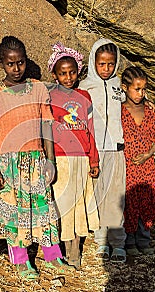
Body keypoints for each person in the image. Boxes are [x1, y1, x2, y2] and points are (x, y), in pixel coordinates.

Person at [0, 36, 71, 280]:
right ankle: (21, 260)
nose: (16, 68)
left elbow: (46, 127)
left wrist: (50, 161)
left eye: (20, 62)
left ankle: (53, 255)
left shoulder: (39, 89)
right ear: (1, 63)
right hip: (7, 163)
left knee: (44, 208)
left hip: (36, 160)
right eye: (10, 64)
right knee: (14, 211)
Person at [47, 42, 100, 269]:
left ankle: (74, 253)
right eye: (63, 73)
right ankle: (61, 250)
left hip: (81, 159)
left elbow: (91, 129)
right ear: (55, 75)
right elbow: (46, 129)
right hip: (61, 158)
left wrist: (93, 159)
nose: (68, 77)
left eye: (72, 72)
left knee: (79, 205)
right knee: (63, 204)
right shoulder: (50, 97)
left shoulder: (84, 96)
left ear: (78, 72)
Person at [79, 38, 127, 263]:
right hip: (95, 149)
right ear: (93, 62)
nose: (106, 69)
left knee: (116, 195)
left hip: (116, 148)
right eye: (102, 64)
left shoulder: (120, 86)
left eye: (111, 64)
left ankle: (118, 242)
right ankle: (101, 241)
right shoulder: (84, 87)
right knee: (97, 195)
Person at [120, 66, 155, 256]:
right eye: (136, 89)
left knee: (147, 201)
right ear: (124, 87)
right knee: (129, 202)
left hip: (146, 167)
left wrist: (147, 154)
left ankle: (144, 239)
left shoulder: (149, 111)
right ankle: (129, 241)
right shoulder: (119, 112)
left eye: (143, 89)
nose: (140, 93)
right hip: (127, 166)